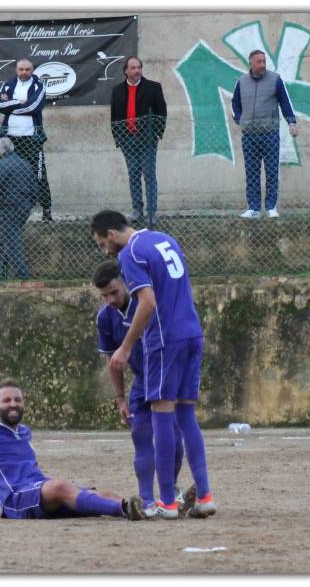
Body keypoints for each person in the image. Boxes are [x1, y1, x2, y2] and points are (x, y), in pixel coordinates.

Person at [90, 210, 215, 520]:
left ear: (111, 234)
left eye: (102, 243)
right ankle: (205, 496)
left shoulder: (130, 253)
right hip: (192, 333)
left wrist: (127, 345)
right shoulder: (165, 239)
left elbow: (147, 302)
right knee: (186, 415)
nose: (105, 250)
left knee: (162, 418)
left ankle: (167, 504)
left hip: (164, 339)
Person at [0, 379, 147, 521]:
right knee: (60, 487)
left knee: (100, 493)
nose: (13, 404)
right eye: (7, 400)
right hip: (15, 499)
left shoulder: (24, 431)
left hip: (39, 490)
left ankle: (144, 510)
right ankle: (125, 509)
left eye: (17, 400)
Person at [92, 259, 185, 517]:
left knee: (172, 437)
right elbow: (113, 362)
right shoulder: (105, 317)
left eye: (114, 292)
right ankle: (146, 501)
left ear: (126, 283)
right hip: (141, 383)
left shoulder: (148, 304)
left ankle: (172, 490)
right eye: (104, 295)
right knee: (141, 436)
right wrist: (120, 398)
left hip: (166, 378)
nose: (110, 299)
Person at [231, 50, 297, 219]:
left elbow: (285, 101)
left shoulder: (275, 79)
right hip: (249, 136)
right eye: (259, 62)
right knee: (251, 172)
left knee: (272, 171)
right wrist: (240, 119)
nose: (262, 65)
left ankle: (271, 207)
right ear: (251, 63)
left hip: (270, 134)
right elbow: (235, 103)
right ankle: (253, 208)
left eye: (264, 61)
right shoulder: (241, 82)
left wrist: (291, 122)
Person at [110, 56, 167, 226]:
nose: (137, 71)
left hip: (148, 140)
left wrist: (156, 134)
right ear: (126, 71)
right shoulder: (117, 90)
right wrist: (119, 138)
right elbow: (114, 117)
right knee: (133, 175)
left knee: (149, 175)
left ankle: (151, 212)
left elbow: (161, 112)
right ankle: (137, 209)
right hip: (128, 140)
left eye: (139, 67)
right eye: (133, 68)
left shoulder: (153, 88)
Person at [0, 59, 53, 222]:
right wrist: (18, 103)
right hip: (9, 138)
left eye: (27, 69)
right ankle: (3, 213)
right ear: (16, 69)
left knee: (39, 175)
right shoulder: (8, 84)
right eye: (21, 69)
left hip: (32, 139)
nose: (24, 72)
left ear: (32, 69)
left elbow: (34, 107)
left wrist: (10, 106)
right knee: (5, 174)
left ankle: (46, 211)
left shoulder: (38, 85)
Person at [0, 138, 37, 279]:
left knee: (11, 239)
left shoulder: (2, 165)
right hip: (23, 208)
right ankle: (0, 273)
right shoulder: (25, 164)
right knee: (4, 238)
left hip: (8, 208)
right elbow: (35, 188)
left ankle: (22, 273)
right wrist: (28, 205)